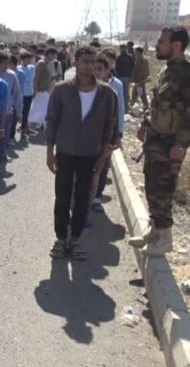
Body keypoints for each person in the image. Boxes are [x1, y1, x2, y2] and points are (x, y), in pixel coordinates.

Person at [46, 46, 116, 261]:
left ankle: (75, 239)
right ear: (75, 62)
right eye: (85, 61)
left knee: (83, 199)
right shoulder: (61, 90)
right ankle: (60, 238)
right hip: (65, 153)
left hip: (91, 155)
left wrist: (103, 158)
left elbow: (109, 126)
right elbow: (52, 120)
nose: (90, 66)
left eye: (93, 62)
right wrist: (49, 151)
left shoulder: (106, 93)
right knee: (62, 197)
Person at [130, 27, 190, 256]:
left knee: (163, 191)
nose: (157, 44)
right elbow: (158, 104)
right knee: (152, 187)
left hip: (170, 144)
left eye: (161, 41)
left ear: (176, 45)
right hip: (155, 141)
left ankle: (165, 239)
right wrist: (145, 124)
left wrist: (180, 144)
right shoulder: (168, 70)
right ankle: (154, 230)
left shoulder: (185, 74)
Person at [91, 52, 124, 213]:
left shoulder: (115, 87)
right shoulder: (85, 86)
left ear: (107, 70)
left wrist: (119, 135)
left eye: (99, 69)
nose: (96, 72)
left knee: (103, 167)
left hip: (107, 135)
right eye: (94, 68)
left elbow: (120, 111)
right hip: (89, 136)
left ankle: (97, 197)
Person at [0, 52, 23, 153]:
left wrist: (19, 113)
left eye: (8, 63)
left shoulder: (11, 75)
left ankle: (2, 156)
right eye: (4, 63)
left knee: (4, 139)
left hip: (7, 112)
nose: (7, 65)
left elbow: (17, 94)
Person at [19, 52, 36, 136]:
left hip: (29, 92)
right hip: (21, 93)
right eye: (25, 59)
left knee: (27, 111)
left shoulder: (32, 67)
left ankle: (24, 129)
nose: (27, 60)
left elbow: (31, 78)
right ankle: (22, 127)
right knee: (20, 111)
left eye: (29, 59)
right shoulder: (18, 68)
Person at [130, 46, 150, 111]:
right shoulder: (137, 60)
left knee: (141, 95)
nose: (135, 53)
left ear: (139, 52)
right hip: (137, 82)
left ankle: (146, 108)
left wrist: (141, 81)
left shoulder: (143, 61)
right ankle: (132, 107)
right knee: (136, 95)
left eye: (136, 52)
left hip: (140, 82)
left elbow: (145, 73)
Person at [115, 44, 135, 109]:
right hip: (124, 77)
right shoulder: (129, 57)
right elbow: (133, 67)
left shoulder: (120, 57)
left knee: (122, 93)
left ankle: (123, 107)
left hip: (122, 77)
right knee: (125, 93)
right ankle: (124, 107)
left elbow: (133, 67)